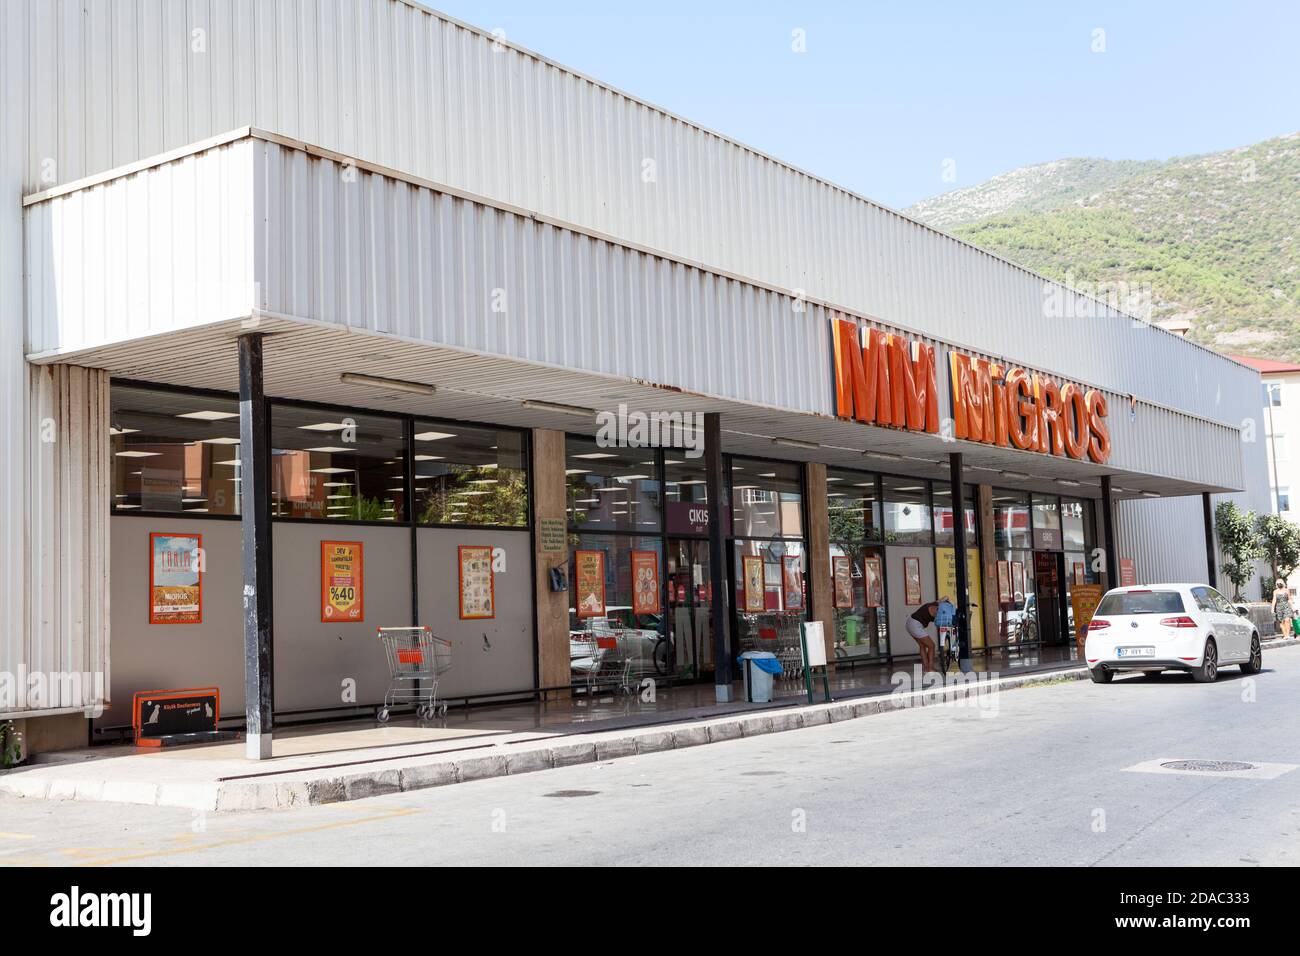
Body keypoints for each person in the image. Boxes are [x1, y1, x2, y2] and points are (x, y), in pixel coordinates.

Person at [907, 596, 954, 672]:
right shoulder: (938, 611)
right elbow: (941, 622)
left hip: (910, 622)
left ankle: (926, 667)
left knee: (922, 645)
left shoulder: (934, 603)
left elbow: (946, 597)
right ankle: (930, 668)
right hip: (915, 625)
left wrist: (948, 600)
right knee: (931, 645)